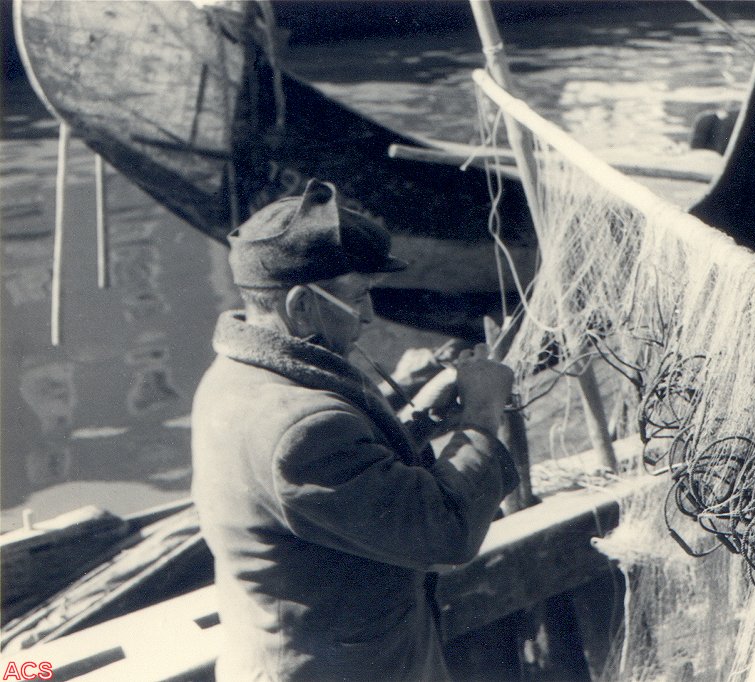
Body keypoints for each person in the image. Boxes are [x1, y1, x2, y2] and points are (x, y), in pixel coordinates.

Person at [191, 179, 519, 681]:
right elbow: (445, 533)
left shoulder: (238, 374)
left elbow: (350, 487)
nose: (368, 314)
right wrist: (481, 416)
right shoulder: (302, 430)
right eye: (360, 295)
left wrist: (421, 421)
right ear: (301, 305)